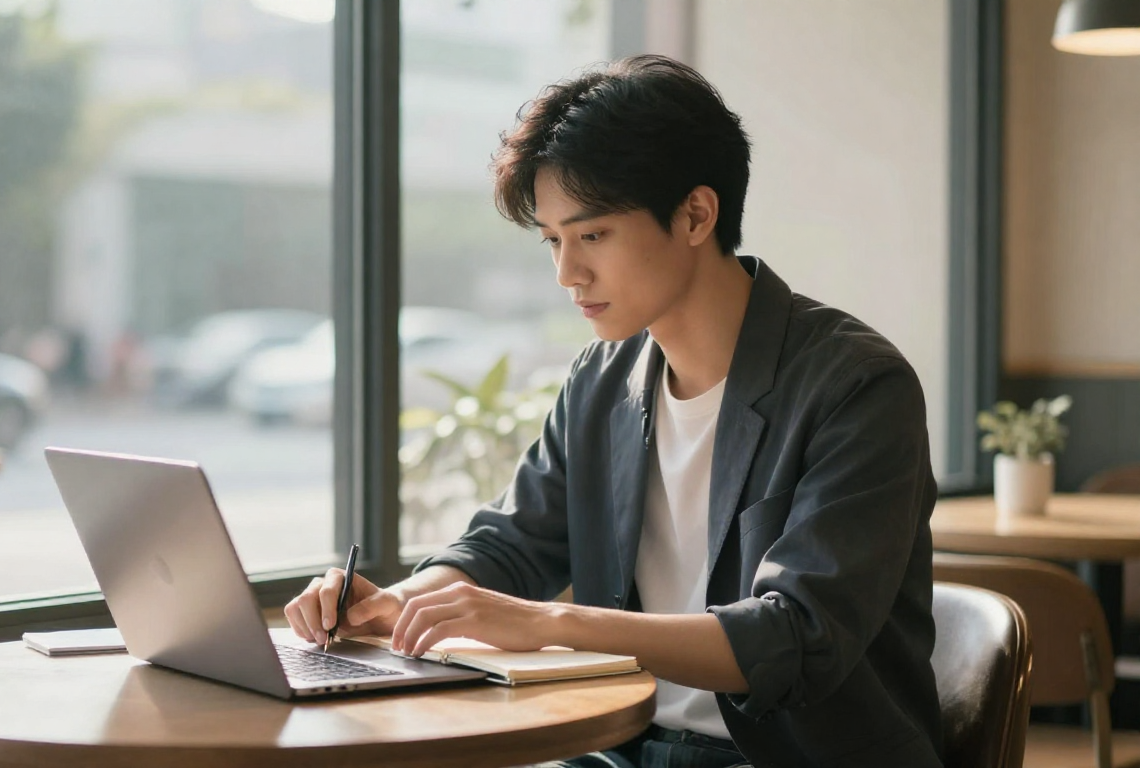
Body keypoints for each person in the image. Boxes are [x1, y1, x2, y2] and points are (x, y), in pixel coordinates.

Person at [285, 54, 941, 768]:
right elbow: (512, 545)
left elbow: (795, 638)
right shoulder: (603, 379)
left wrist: (548, 623)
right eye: (554, 241)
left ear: (696, 214)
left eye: (592, 235)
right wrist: (403, 601)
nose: (567, 273)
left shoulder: (856, 385)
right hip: (617, 746)